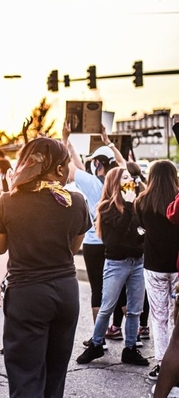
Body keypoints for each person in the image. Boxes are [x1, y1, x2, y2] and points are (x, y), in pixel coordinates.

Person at [0, 137, 91, 398]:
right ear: (58, 169)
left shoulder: (8, 201)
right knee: (56, 371)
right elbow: (73, 247)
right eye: (67, 165)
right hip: (65, 291)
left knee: (25, 374)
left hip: (27, 294)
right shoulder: (76, 201)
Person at [62, 123, 128, 347]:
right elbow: (122, 163)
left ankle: (99, 340)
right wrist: (108, 142)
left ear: (97, 163)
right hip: (114, 240)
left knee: (97, 289)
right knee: (120, 288)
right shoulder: (119, 179)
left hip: (93, 242)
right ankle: (133, 334)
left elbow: (70, 167)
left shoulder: (89, 183)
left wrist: (64, 139)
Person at [76, 167, 148, 367]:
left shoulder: (136, 205)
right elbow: (115, 239)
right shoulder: (106, 207)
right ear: (115, 182)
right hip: (116, 263)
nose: (129, 180)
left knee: (135, 309)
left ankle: (130, 348)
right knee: (107, 307)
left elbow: (141, 230)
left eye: (130, 177)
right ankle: (96, 344)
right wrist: (128, 206)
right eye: (124, 177)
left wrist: (140, 238)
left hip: (137, 262)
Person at [136, 160, 179, 381]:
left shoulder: (142, 201)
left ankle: (163, 364)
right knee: (175, 316)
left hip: (154, 265)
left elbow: (140, 229)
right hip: (177, 265)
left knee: (159, 316)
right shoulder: (177, 199)